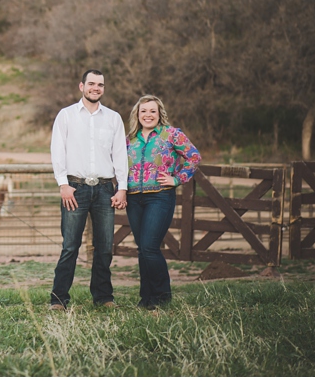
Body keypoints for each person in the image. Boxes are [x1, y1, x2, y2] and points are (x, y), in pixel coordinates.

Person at [49, 69, 128, 310]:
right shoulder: (66, 116)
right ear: (81, 86)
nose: (96, 88)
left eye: (100, 85)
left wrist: (121, 188)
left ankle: (103, 297)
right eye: (91, 84)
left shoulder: (113, 118)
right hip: (75, 188)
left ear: (104, 88)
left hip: (105, 189)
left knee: (104, 247)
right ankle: (59, 299)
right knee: (70, 246)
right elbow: (57, 150)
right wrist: (63, 184)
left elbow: (120, 155)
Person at [125, 95, 201, 310]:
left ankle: (161, 296)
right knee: (143, 249)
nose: (147, 115)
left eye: (152, 111)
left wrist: (177, 179)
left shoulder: (172, 135)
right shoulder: (129, 138)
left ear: (160, 114)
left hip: (159, 196)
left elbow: (194, 157)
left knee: (150, 247)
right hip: (133, 199)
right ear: (137, 115)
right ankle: (146, 298)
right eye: (143, 111)